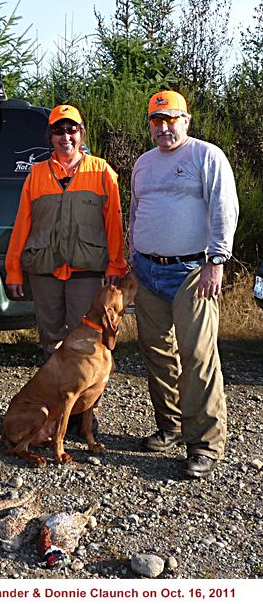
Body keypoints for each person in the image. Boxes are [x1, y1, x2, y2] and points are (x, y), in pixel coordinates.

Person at [130, 90, 239, 479]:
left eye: (171, 119)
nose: (163, 127)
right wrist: (133, 257)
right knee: (157, 352)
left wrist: (216, 261)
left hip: (193, 272)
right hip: (147, 272)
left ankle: (205, 444)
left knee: (197, 356)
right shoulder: (143, 164)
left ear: (186, 121)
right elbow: (137, 211)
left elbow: (225, 208)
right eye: (156, 121)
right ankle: (170, 427)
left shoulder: (206, 156)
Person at [5, 104, 128, 362]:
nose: (65, 137)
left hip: (87, 271)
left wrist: (115, 268)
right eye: (58, 131)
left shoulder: (102, 171)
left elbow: (114, 226)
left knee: (86, 337)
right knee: (50, 339)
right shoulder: (36, 174)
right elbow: (22, 226)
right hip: (45, 270)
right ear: (50, 136)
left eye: (71, 129)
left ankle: (85, 397)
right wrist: (14, 270)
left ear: (81, 133)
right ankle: (56, 393)